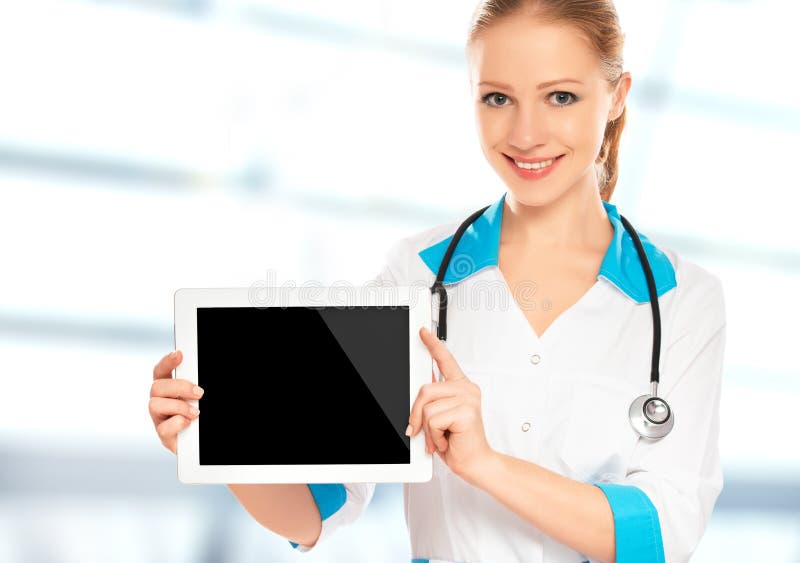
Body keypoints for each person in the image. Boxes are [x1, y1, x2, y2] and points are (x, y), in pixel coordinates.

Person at [149, 1, 726, 561]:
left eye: (560, 97)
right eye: (498, 98)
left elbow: (662, 532)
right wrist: (213, 446)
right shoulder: (415, 277)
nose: (526, 133)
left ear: (617, 97)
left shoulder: (681, 301)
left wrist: (487, 464)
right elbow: (318, 507)